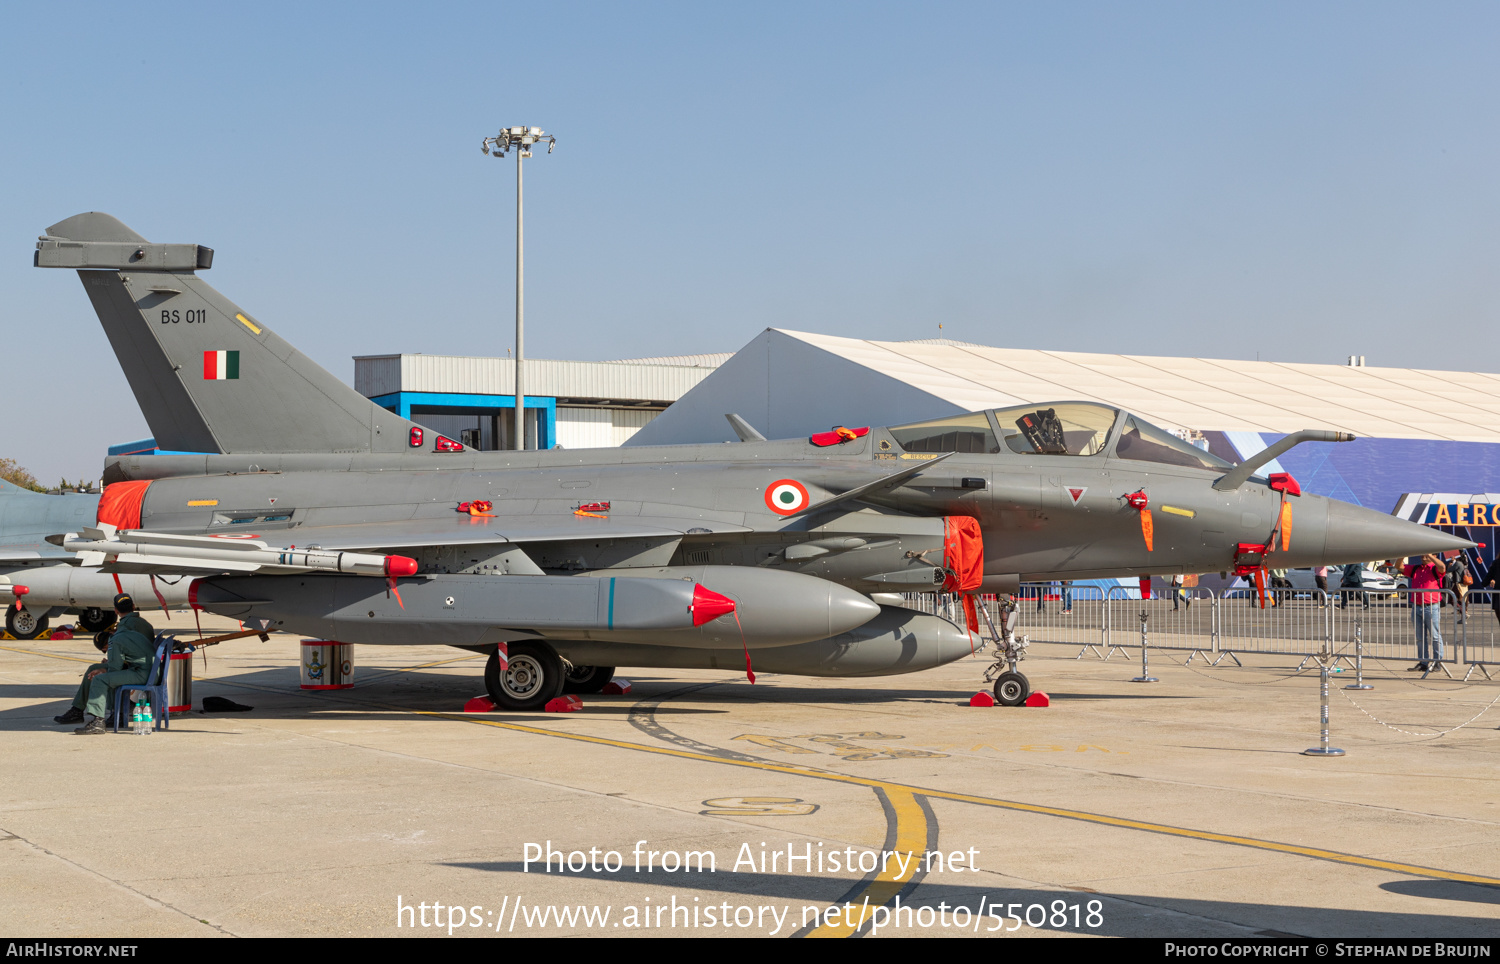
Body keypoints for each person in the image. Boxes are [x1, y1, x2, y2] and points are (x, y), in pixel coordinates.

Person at [57, 594, 158, 734]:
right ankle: (82, 710)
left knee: (100, 678)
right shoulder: (142, 623)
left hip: (140, 670)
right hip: (148, 667)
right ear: (133, 607)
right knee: (95, 669)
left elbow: (115, 668)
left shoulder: (122, 631)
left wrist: (105, 669)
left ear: (115, 611)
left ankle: (100, 720)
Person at [1402, 554, 1447, 672]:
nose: (1423, 556)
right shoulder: (1416, 568)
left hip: (1431, 606)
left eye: (1426, 554)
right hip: (1417, 606)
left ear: (1434, 555)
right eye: (1422, 554)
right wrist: (1401, 554)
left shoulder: (1434, 568)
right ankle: (1423, 662)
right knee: (1420, 637)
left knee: (1435, 635)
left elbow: (1442, 567)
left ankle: (1437, 662)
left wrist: (1430, 557)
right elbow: (1399, 567)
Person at [1446, 552, 1470, 623]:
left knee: (1452, 599)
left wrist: (1451, 562)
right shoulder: (1463, 564)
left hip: (1458, 584)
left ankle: (1464, 613)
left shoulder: (1458, 563)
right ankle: (1463, 617)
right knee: (1462, 600)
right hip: (1463, 585)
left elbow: (1449, 570)